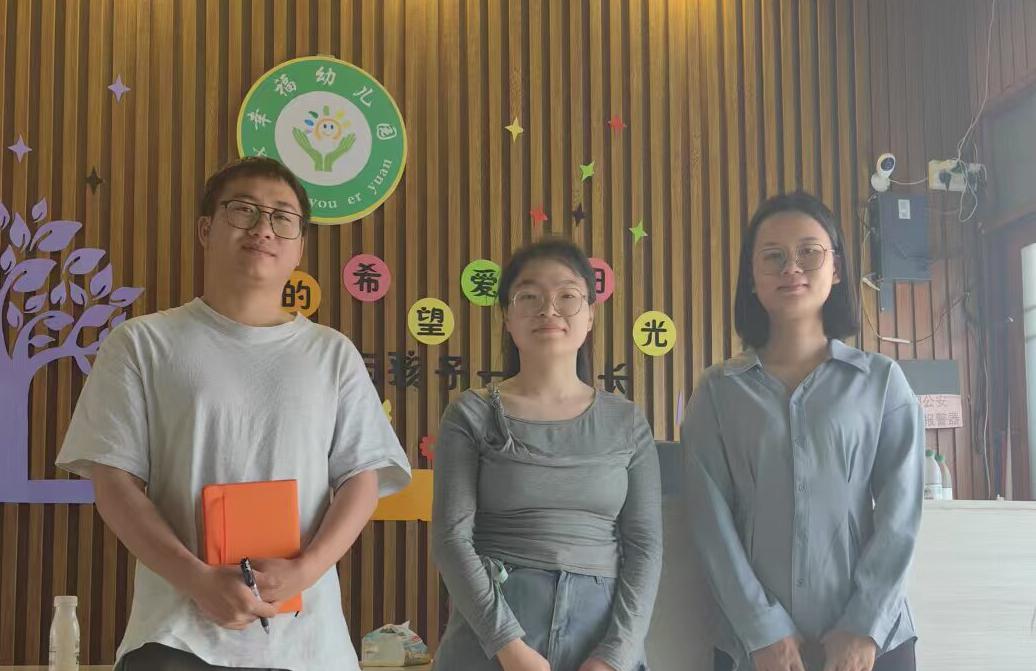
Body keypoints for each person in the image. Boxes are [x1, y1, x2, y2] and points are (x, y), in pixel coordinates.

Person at [56, 157, 411, 670]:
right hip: (174, 639)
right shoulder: (142, 343)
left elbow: (362, 479)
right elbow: (114, 482)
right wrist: (197, 579)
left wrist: (304, 570)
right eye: (244, 210)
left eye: (282, 217)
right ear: (206, 229)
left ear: (299, 246)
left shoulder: (332, 353)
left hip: (308, 645)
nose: (263, 228)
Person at [682, 192, 923, 671]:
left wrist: (863, 625)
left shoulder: (881, 382)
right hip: (755, 648)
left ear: (837, 268)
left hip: (870, 644)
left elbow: (901, 515)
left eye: (809, 252)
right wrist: (762, 629)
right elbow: (710, 522)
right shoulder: (717, 391)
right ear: (752, 278)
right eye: (773, 256)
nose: (791, 267)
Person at [430, 238, 662, 671]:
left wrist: (615, 655)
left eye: (567, 296)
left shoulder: (628, 422)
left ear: (590, 314)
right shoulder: (470, 413)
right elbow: (450, 540)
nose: (548, 310)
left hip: (600, 643)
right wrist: (509, 648)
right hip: (491, 644)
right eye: (529, 296)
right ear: (507, 317)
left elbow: (645, 547)